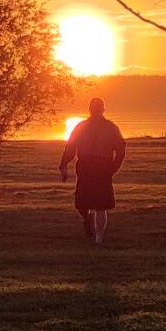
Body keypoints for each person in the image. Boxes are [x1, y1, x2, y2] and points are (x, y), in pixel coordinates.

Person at [59, 97, 126, 244]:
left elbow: (121, 149)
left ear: (102, 111)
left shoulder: (110, 128)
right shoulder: (82, 127)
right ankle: (87, 219)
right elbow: (70, 147)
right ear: (91, 110)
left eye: (98, 110)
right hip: (86, 166)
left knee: (101, 205)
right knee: (82, 202)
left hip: (102, 167)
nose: (96, 112)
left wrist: (113, 167)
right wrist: (63, 165)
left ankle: (99, 238)